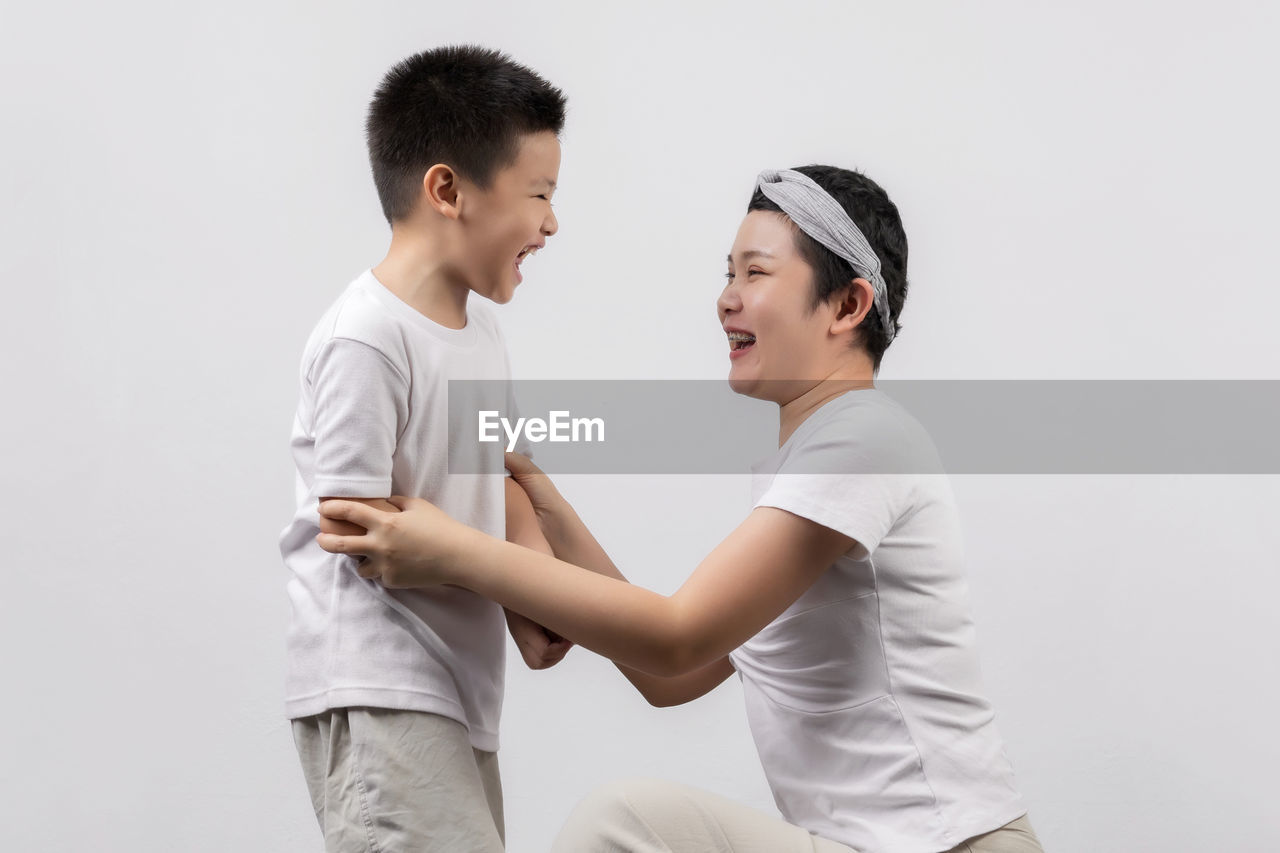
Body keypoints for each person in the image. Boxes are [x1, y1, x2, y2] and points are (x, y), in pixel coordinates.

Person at [316, 165, 1045, 853]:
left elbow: (677, 637)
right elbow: (669, 678)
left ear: (848, 305)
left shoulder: (862, 443)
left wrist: (455, 554)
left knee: (621, 825)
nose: (727, 297)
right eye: (727, 272)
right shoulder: (817, 466)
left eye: (756, 272)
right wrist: (551, 510)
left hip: (949, 845)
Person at [278, 45, 572, 852]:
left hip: (456, 682)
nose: (551, 222)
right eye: (539, 194)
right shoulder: (367, 336)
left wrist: (532, 585)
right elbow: (359, 529)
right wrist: (502, 569)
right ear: (448, 189)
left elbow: (498, 466)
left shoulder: (480, 331)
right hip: (381, 680)